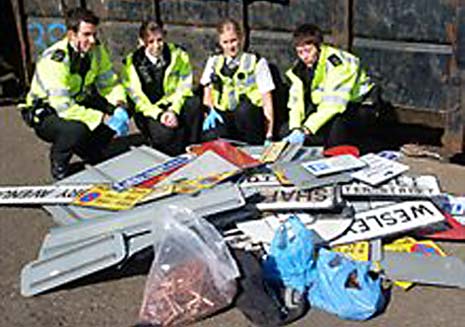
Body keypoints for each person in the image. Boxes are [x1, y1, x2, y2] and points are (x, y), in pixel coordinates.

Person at [20, 7, 129, 180]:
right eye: (86, 35)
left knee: (117, 110)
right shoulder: (56, 59)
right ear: (72, 35)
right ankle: (59, 161)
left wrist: (120, 105)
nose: (92, 40)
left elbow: (109, 83)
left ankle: (90, 149)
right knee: (76, 129)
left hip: (77, 101)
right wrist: (103, 118)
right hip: (47, 112)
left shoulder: (96, 51)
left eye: (94, 34)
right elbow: (63, 107)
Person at [282, 23, 381, 148]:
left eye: (308, 51)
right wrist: (295, 128)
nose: (304, 57)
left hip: (357, 106)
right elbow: (296, 102)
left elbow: (334, 104)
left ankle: (357, 144)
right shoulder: (299, 69)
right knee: (285, 131)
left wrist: (306, 129)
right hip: (325, 105)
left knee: (335, 135)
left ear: (318, 46)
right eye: (300, 52)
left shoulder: (340, 64)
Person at [121, 21, 202, 156]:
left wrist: (173, 110)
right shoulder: (131, 63)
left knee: (194, 103)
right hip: (151, 111)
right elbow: (138, 99)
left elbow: (184, 87)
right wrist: (159, 114)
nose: (156, 46)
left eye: (159, 40)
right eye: (151, 42)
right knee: (166, 135)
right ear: (142, 41)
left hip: (173, 104)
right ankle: (168, 151)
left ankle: (193, 146)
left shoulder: (178, 55)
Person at [200, 18, 275, 145]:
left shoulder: (256, 61)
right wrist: (209, 113)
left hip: (248, 120)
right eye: (225, 42)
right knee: (211, 137)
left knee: (244, 110)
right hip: (225, 116)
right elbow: (207, 94)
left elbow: (267, 100)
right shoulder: (214, 61)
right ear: (220, 42)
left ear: (241, 38)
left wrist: (269, 134)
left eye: (233, 40)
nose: (230, 46)